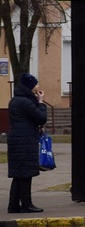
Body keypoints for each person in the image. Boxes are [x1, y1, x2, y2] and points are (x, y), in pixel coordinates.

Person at [7, 73, 48, 214]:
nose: (38, 87)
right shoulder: (25, 102)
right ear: (29, 87)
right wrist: (41, 102)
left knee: (19, 174)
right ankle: (26, 204)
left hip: (17, 138)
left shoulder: (16, 100)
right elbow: (41, 118)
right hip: (25, 139)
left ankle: (13, 205)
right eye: (35, 85)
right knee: (25, 173)